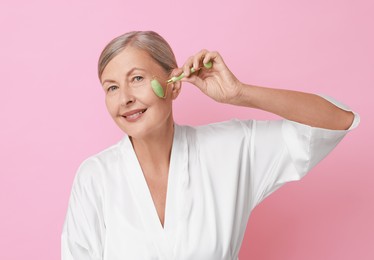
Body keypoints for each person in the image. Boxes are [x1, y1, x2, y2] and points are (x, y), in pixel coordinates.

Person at [61, 31, 359, 260]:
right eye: (111, 87)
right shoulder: (95, 177)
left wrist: (240, 93)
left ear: (174, 83)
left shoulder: (230, 150)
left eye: (137, 78)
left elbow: (337, 120)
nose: (124, 98)